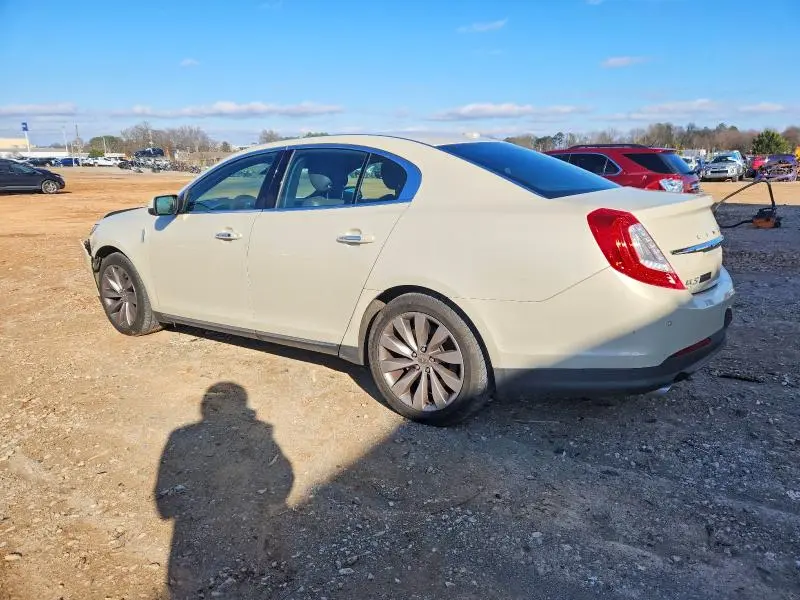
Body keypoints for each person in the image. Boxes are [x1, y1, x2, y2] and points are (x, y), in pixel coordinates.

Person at [155, 382, 294, 599]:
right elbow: (282, 479)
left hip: (200, 546)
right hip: (247, 531)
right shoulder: (261, 434)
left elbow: (165, 507)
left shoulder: (181, 436)